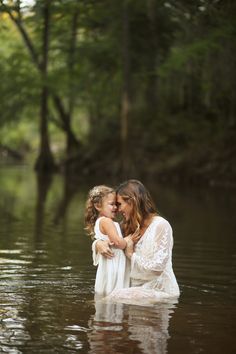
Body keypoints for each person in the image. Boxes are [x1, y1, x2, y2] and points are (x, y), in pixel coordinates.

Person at [94, 179, 180, 304]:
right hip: (134, 289)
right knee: (115, 296)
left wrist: (130, 255)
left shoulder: (161, 226)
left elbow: (157, 268)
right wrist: (98, 244)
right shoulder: (127, 225)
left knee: (116, 296)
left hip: (160, 291)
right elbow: (111, 239)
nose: (117, 209)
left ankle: (94, 307)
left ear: (132, 202)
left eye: (119, 204)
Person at [84, 185, 131, 296]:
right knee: (115, 291)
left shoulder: (101, 221)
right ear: (98, 206)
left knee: (108, 292)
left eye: (116, 204)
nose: (115, 207)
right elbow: (118, 243)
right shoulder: (106, 222)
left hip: (109, 263)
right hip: (114, 263)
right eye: (111, 204)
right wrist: (129, 240)